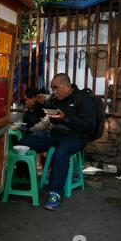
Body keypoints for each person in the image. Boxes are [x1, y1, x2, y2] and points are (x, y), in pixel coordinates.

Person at [19, 73, 97, 210]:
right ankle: (25, 179)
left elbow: (89, 126)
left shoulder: (83, 99)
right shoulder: (55, 99)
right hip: (55, 135)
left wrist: (65, 118)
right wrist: (40, 103)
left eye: (56, 88)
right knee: (23, 142)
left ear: (68, 86)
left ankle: (55, 193)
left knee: (61, 153)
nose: (54, 91)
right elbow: (43, 116)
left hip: (76, 138)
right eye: (52, 88)